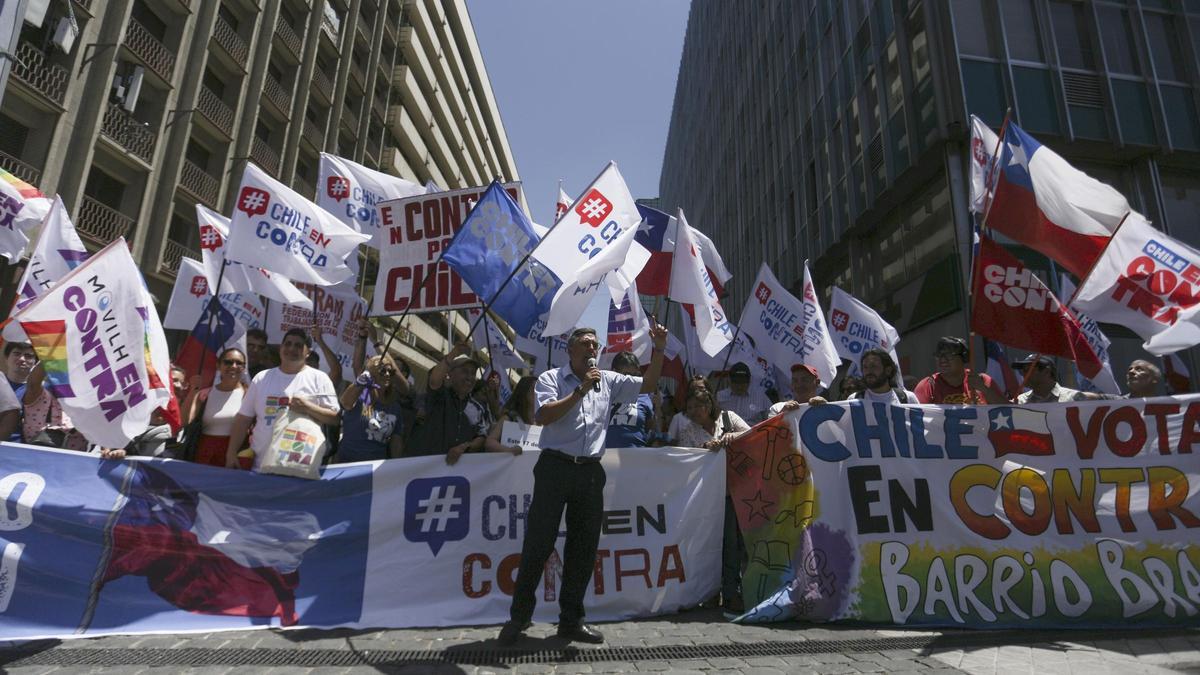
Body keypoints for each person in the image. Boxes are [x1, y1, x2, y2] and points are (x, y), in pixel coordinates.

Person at [498, 323, 668, 646]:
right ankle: (519, 618)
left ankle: (571, 621)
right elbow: (542, 416)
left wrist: (658, 349)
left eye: (596, 345)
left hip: (589, 472)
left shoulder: (608, 381)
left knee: (583, 549)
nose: (593, 349)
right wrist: (579, 392)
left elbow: (648, 383)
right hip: (554, 469)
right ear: (571, 350)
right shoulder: (551, 379)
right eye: (586, 344)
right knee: (539, 543)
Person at [675, 388, 750, 615]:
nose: (694, 411)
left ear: (709, 405)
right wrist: (704, 450)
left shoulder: (729, 418)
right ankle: (710, 593)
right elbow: (685, 459)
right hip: (707, 497)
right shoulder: (688, 431)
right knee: (713, 546)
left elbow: (753, 434)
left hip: (737, 490)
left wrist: (731, 437)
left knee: (735, 547)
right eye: (689, 408)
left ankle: (731, 593)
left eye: (698, 406)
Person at [225, 328, 340, 470]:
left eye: (298, 345)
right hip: (259, 466)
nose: (292, 348)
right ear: (281, 348)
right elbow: (243, 419)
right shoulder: (261, 378)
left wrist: (307, 407)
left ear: (307, 352)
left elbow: (334, 418)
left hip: (300, 469)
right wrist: (231, 453)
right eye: (288, 344)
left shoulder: (320, 378)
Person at [407, 342, 492, 464]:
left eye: (473, 373)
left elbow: (481, 436)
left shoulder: (478, 408)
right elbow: (434, 380)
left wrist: (464, 447)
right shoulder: (439, 396)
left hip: (455, 475)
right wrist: (453, 354)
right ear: (450, 374)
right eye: (464, 371)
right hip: (426, 468)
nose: (469, 377)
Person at [181, 347, 248, 467]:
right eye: (228, 362)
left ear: (244, 368)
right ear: (218, 365)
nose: (233, 366)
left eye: (239, 363)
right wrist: (193, 391)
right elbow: (185, 421)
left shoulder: (249, 394)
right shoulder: (205, 394)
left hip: (235, 454)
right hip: (204, 452)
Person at [337, 353, 407, 462]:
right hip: (346, 464)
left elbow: (396, 442)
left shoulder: (395, 407)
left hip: (374, 471)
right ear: (371, 371)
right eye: (383, 370)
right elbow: (345, 402)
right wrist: (360, 381)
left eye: (391, 372)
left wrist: (397, 464)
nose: (388, 374)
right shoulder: (360, 395)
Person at [914, 337, 1006, 404]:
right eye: (939, 355)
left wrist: (983, 389)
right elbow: (915, 418)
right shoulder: (928, 386)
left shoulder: (982, 380)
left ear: (964, 358)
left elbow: (1008, 411)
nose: (942, 359)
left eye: (949, 355)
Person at [21, 362, 88, 451]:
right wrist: (50, 355)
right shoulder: (39, 398)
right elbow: (32, 384)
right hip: (35, 458)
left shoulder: (87, 405)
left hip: (72, 461)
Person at [605, 352, 655, 448]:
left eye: (635, 375)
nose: (631, 380)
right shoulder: (602, 394)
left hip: (636, 459)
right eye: (626, 374)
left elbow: (650, 427)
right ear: (613, 372)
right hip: (605, 458)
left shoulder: (644, 397)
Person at [484, 375, 537, 455]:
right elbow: (490, 442)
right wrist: (509, 450)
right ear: (524, 392)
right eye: (535, 388)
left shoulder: (544, 421)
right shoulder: (510, 418)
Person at [1010, 354, 1089, 403]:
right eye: (1022, 371)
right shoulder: (1020, 402)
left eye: (1028, 370)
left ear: (1046, 371)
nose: (1024, 375)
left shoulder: (1074, 398)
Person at [849, 349, 918, 404]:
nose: (868, 371)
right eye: (865, 367)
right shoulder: (854, 400)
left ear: (888, 370)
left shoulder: (908, 399)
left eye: (873, 366)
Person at [2, 342, 36, 442]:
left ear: (35, 362)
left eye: (28, 356)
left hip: (17, 449)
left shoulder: (39, 391)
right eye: (16, 354)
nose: (22, 359)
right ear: (6, 358)